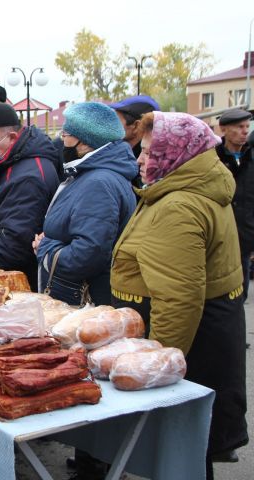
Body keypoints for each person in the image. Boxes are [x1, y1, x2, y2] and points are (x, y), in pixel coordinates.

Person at [110, 112, 248, 478]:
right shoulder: (184, 189)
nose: (139, 159)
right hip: (209, 336)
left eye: (149, 152)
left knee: (181, 450)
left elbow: (179, 299)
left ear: (177, 155)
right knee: (191, 448)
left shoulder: (178, 205)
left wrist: (156, 369)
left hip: (188, 345)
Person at [35, 102, 137, 307]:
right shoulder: (89, 174)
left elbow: (87, 255)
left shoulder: (98, 182)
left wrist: (45, 247)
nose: (61, 141)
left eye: (66, 135)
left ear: (84, 143)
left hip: (82, 304)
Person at [0, 104, 59, 287]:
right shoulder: (5, 162)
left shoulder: (28, 176)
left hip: (6, 280)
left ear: (12, 137)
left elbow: (16, 241)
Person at [215, 109, 254, 298]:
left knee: (241, 292)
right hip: (220, 235)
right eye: (239, 127)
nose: (245, 131)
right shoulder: (213, 157)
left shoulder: (251, 157)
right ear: (224, 130)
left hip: (245, 236)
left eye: (247, 126)